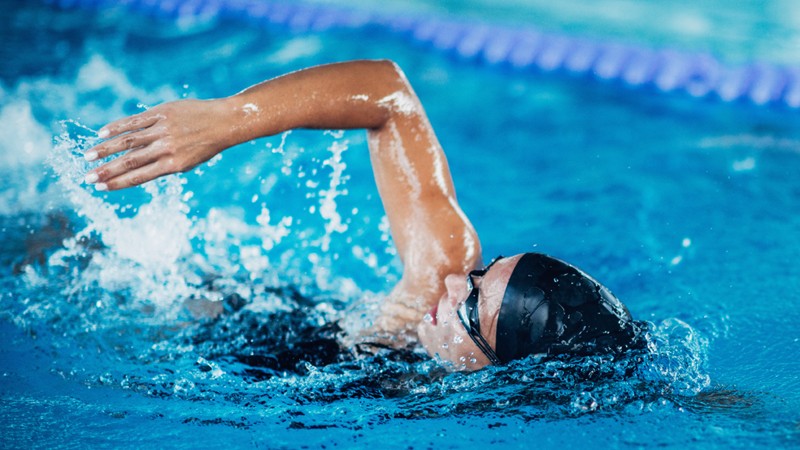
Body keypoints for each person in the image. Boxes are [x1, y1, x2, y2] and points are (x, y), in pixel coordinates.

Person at [84, 60, 639, 371]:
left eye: (472, 306)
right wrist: (229, 120)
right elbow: (386, 94)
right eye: (479, 274)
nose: (450, 281)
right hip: (216, 313)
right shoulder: (432, 287)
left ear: (503, 371)